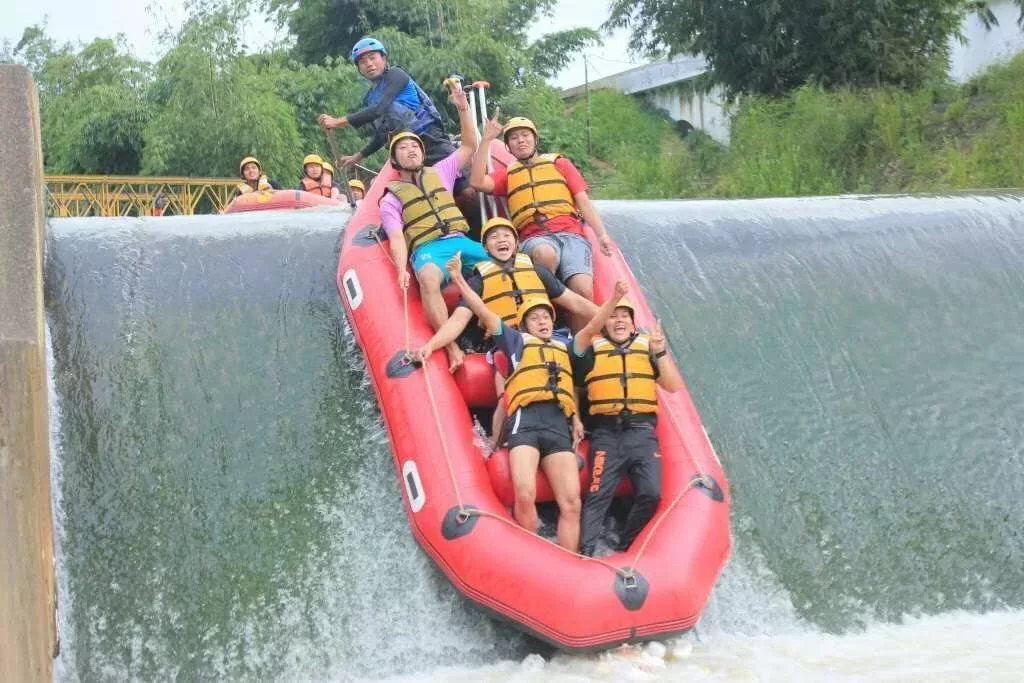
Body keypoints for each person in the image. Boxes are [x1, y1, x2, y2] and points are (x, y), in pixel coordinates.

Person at [447, 250, 598, 552]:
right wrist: (458, 280)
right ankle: (531, 552)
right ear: (524, 324)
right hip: (525, 423)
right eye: (535, 318)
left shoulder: (566, 345)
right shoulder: (514, 341)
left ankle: (567, 560)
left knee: (571, 503)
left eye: (545, 316)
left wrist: (619, 305)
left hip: (557, 424)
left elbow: (593, 326)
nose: (541, 321)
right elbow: (481, 309)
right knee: (525, 494)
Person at [414, 216, 597, 437]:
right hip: (508, 340)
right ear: (485, 247)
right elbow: (458, 321)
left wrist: (612, 316)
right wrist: (432, 345)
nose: (501, 240)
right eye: (494, 237)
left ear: (516, 242)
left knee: (579, 358)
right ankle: (501, 438)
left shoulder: (537, 272)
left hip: (547, 335)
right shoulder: (478, 281)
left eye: (506, 235)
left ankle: (578, 419)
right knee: (507, 377)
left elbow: (575, 302)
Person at [378, 80, 487, 371]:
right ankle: (451, 346)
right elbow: (397, 238)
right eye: (404, 147)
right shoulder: (391, 198)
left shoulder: (441, 171)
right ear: (394, 159)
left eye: (415, 146)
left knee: (504, 263)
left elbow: (468, 145)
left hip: (460, 242)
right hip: (428, 250)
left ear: (423, 153)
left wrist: (462, 107)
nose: (411, 150)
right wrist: (401, 269)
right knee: (426, 277)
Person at [571, 292, 683, 557]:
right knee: (598, 496)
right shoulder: (592, 350)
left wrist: (661, 352)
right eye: (613, 316)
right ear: (604, 322)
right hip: (606, 435)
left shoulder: (647, 347)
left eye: (624, 317)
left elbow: (672, 386)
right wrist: (576, 417)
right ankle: (585, 553)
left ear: (633, 323)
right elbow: (576, 388)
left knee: (652, 494)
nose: (619, 321)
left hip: (642, 434)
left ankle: (624, 546)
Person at [470, 114, 614, 315]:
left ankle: (577, 341)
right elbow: (477, 182)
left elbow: (583, 201)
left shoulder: (560, 163)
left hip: (572, 235)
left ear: (535, 139)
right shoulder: (508, 174)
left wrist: (602, 234)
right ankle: (546, 318)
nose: (521, 140)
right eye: (514, 138)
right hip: (534, 237)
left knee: (583, 289)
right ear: (508, 147)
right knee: (544, 253)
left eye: (525, 135)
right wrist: (486, 139)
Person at [317, 37, 455, 173]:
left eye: (372, 58)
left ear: (384, 59)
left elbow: (378, 109)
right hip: (405, 154)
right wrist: (358, 156)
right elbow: (383, 133)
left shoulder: (396, 75)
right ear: (359, 68)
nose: (369, 64)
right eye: (363, 62)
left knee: (465, 190)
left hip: (431, 140)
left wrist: (336, 122)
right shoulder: (370, 99)